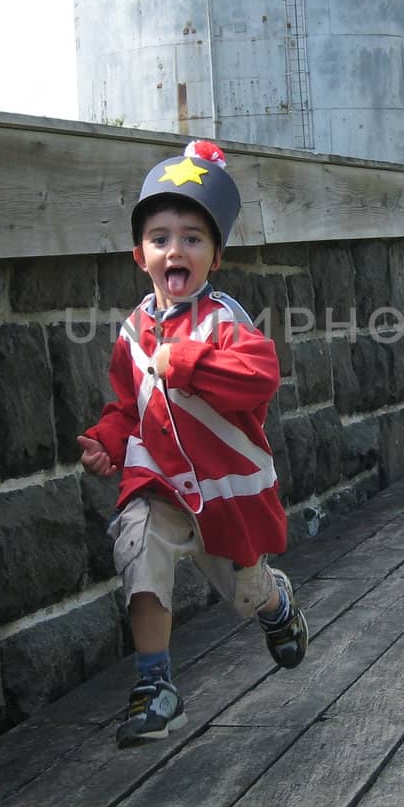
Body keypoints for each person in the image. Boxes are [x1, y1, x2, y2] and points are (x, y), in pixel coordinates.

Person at [77, 139, 308, 749]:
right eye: (160, 238)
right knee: (136, 548)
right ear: (140, 255)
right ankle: (158, 687)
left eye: (192, 238)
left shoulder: (225, 320)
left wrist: (190, 363)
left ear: (214, 257)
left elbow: (259, 378)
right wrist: (108, 439)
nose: (174, 249)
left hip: (223, 495)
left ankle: (275, 603)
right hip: (158, 485)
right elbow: (129, 405)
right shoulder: (132, 331)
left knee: (245, 590)